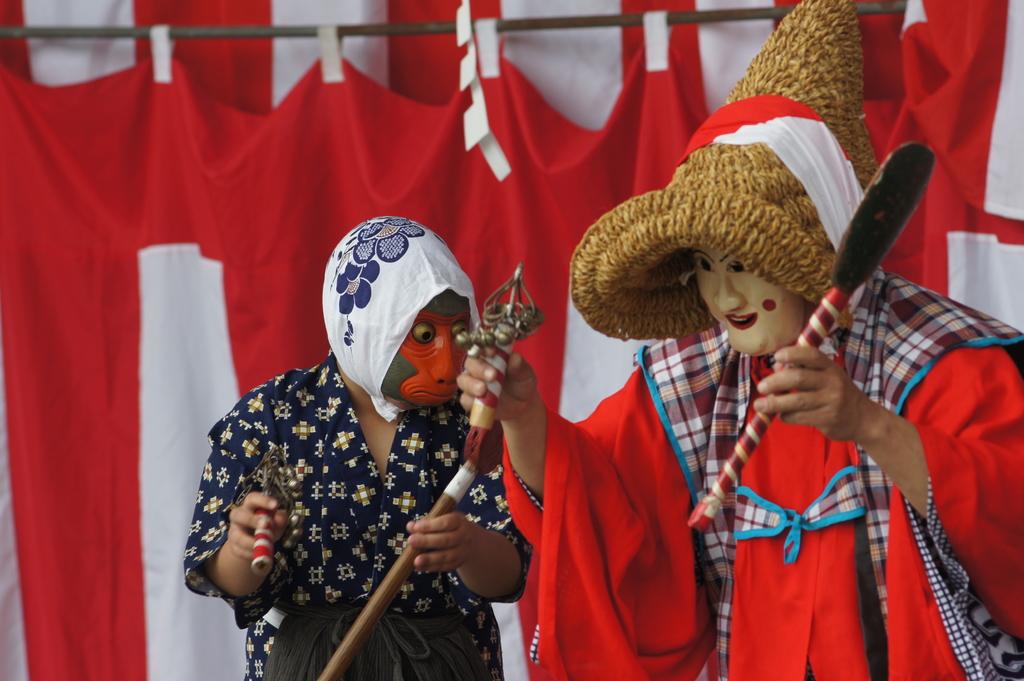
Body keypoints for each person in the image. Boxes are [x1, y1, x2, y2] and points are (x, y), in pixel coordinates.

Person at [458, 1, 1024, 679]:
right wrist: (524, 417)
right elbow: (602, 503)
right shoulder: (691, 382)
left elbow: (1009, 524)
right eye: (705, 266)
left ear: (809, 250)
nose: (723, 298)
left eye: (744, 263)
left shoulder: (940, 361)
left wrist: (868, 424)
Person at [184, 216, 530, 681]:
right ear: (367, 326)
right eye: (425, 336)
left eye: (459, 332)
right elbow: (231, 582)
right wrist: (243, 549)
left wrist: (469, 547)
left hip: (446, 664)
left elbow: (509, 574)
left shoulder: (474, 419)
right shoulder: (272, 417)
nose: (449, 363)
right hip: (306, 664)